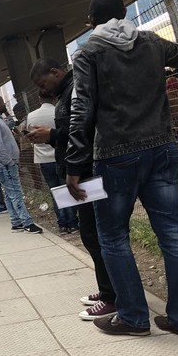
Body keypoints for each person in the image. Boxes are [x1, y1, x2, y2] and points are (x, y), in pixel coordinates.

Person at [66, 0, 178, 338]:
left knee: (113, 237)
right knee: (173, 235)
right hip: (162, 150)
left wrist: (74, 166)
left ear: (90, 22)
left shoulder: (89, 53)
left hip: (115, 157)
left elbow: (81, 110)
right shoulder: (152, 42)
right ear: (125, 12)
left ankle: (133, 317)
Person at [28, 58, 117, 320]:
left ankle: (112, 296)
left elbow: (83, 130)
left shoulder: (75, 90)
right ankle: (107, 290)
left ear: (56, 72)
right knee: (91, 233)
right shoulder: (68, 91)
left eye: (43, 82)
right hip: (80, 171)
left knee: (95, 234)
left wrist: (53, 136)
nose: (44, 89)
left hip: (85, 172)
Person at [0, 95, 42, 234]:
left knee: (10, 194)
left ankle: (16, 222)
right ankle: (27, 222)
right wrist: (8, 162)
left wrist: (8, 114)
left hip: (4, 164)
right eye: (3, 103)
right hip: (4, 164)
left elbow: (11, 124)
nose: (5, 105)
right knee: (15, 193)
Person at [26, 92, 78, 234]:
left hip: (43, 158)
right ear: (54, 97)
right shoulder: (57, 111)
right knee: (67, 190)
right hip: (60, 156)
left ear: (39, 99)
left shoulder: (31, 116)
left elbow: (32, 135)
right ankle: (73, 223)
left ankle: (62, 224)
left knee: (55, 191)